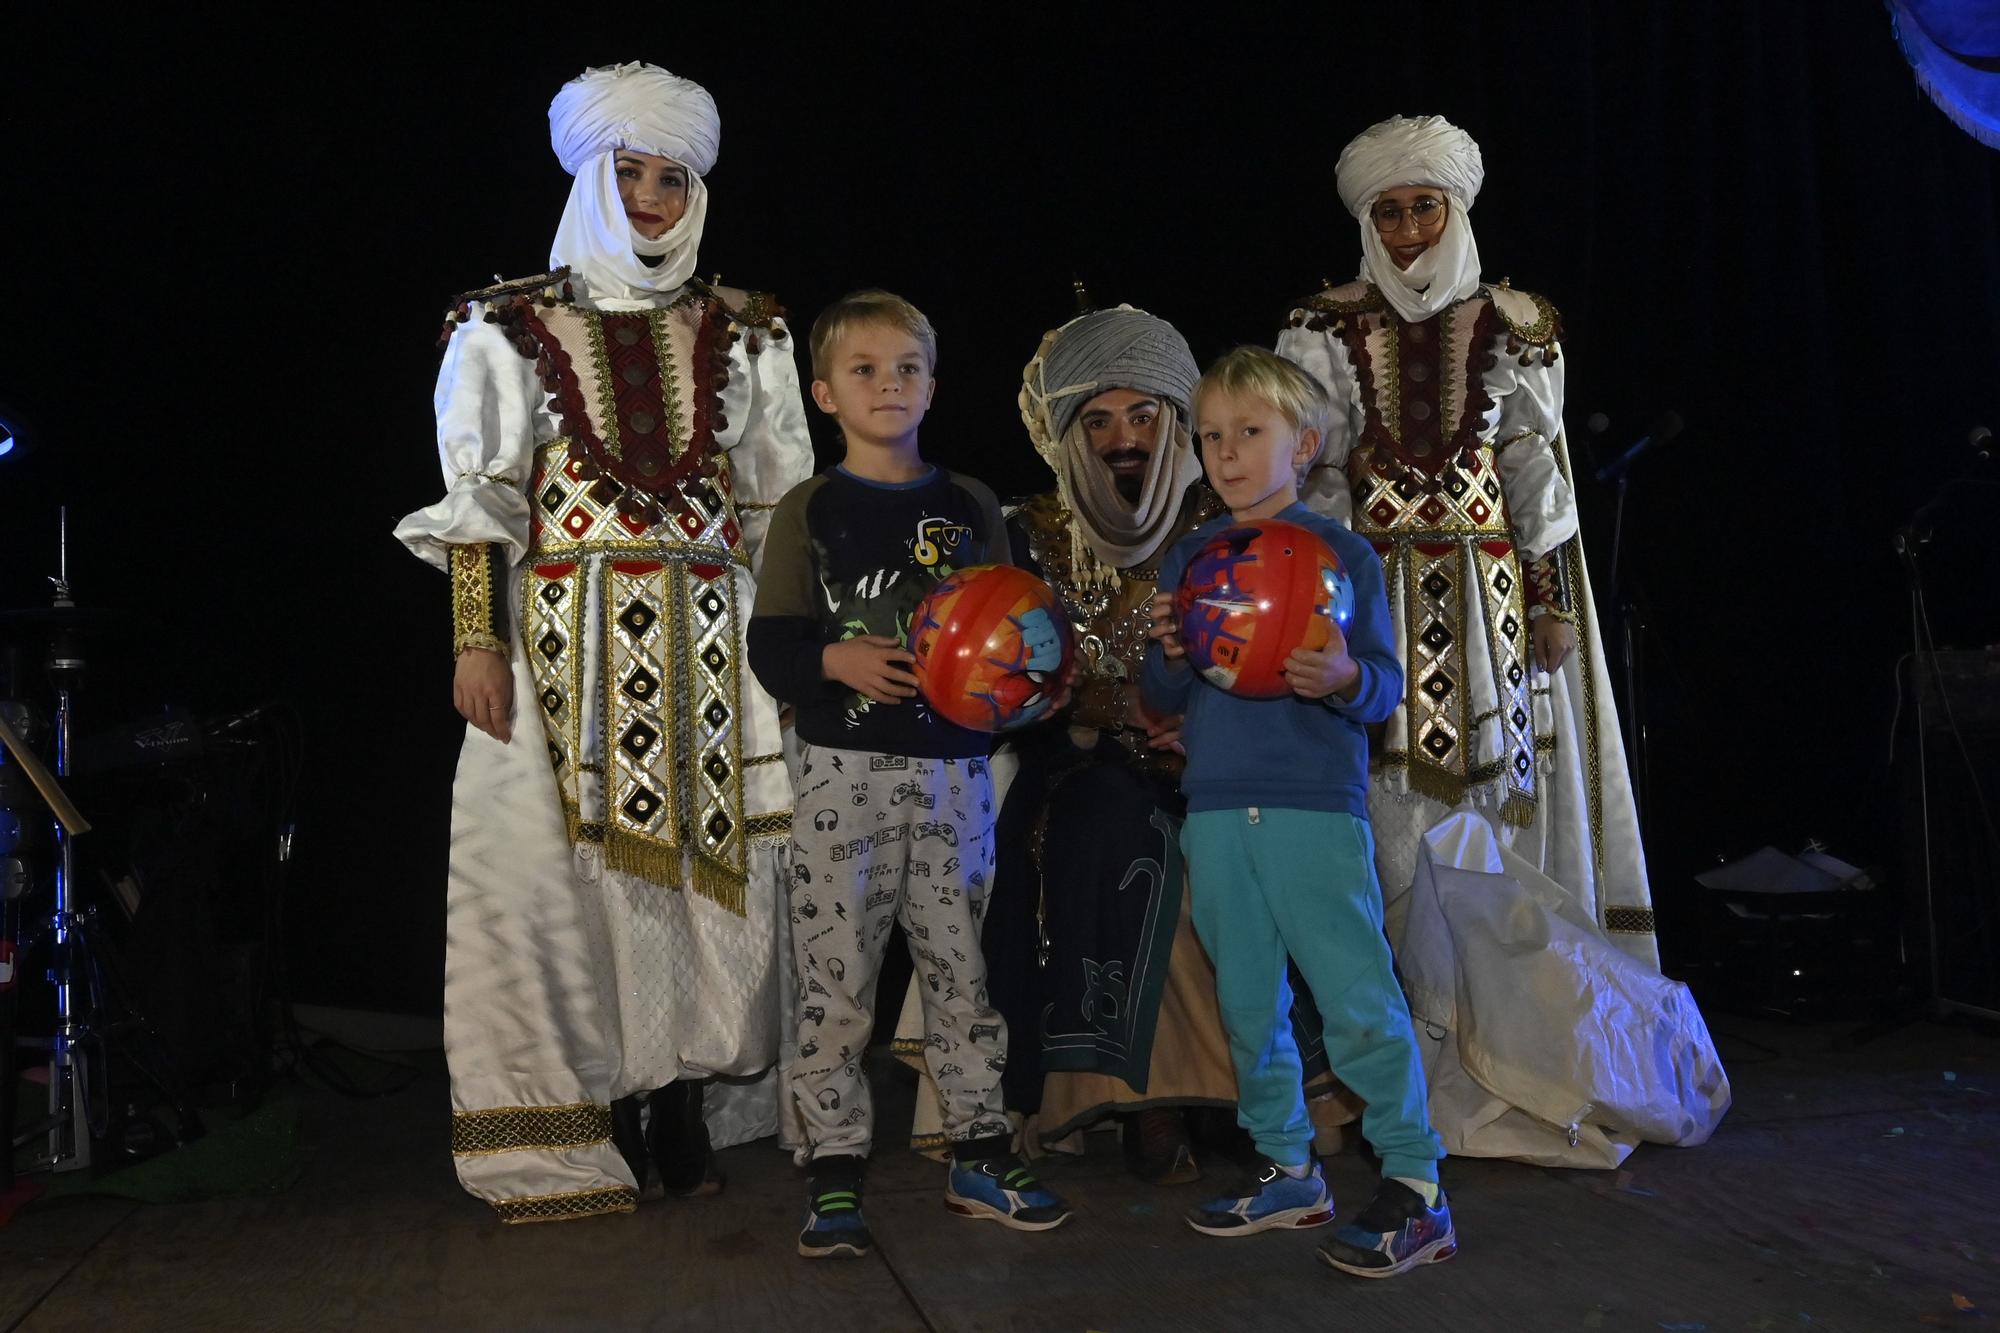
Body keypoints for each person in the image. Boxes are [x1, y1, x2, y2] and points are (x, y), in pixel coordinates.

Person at [394, 61, 812, 1223]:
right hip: (565, 650)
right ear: (588, 175)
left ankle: (682, 1100)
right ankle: (611, 1108)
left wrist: (783, 647)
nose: (649, 195)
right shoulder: (504, 325)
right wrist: (477, 642)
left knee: (710, 885)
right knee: (581, 892)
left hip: (716, 649)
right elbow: (479, 494)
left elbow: (779, 508)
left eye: (670, 177)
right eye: (626, 172)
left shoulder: (746, 332)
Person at [1273, 116, 1727, 1171]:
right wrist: (1323, 603)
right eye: (1385, 211)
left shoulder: (1515, 321)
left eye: (1421, 206)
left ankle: (1511, 1052)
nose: (1403, 227)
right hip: (1375, 595)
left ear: (1455, 211)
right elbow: (1318, 473)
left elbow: (1537, 476)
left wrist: (1552, 600)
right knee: (1387, 823)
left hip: (1490, 603)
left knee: (1495, 826)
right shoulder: (1318, 323)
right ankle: (1396, 1066)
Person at [747, 289, 1072, 1260]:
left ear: (932, 383)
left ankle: (978, 1148)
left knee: (960, 975)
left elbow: (1025, 632)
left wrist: (1034, 688)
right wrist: (833, 662)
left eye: (906, 368)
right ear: (822, 392)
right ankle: (833, 1170)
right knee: (835, 983)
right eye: (864, 370)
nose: (887, 384)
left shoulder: (970, 504)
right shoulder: (809, 507)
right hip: (842, 777)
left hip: (955, 779)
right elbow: (770, 647)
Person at [1144, 346, 1457, 1279]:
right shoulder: (1192, 554)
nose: (1229, 453)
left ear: (1304, 445)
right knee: (1247, 997)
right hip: (1215, 807)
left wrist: (1347, 676)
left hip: (1313, 810)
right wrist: (1166, 646)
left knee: (1357, 995)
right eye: (1212, 437)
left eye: (1251, 433)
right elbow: (1168, 689)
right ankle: (1288, 1165)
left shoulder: (1342, 553)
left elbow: (1387, 687)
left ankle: (1415, 1183)